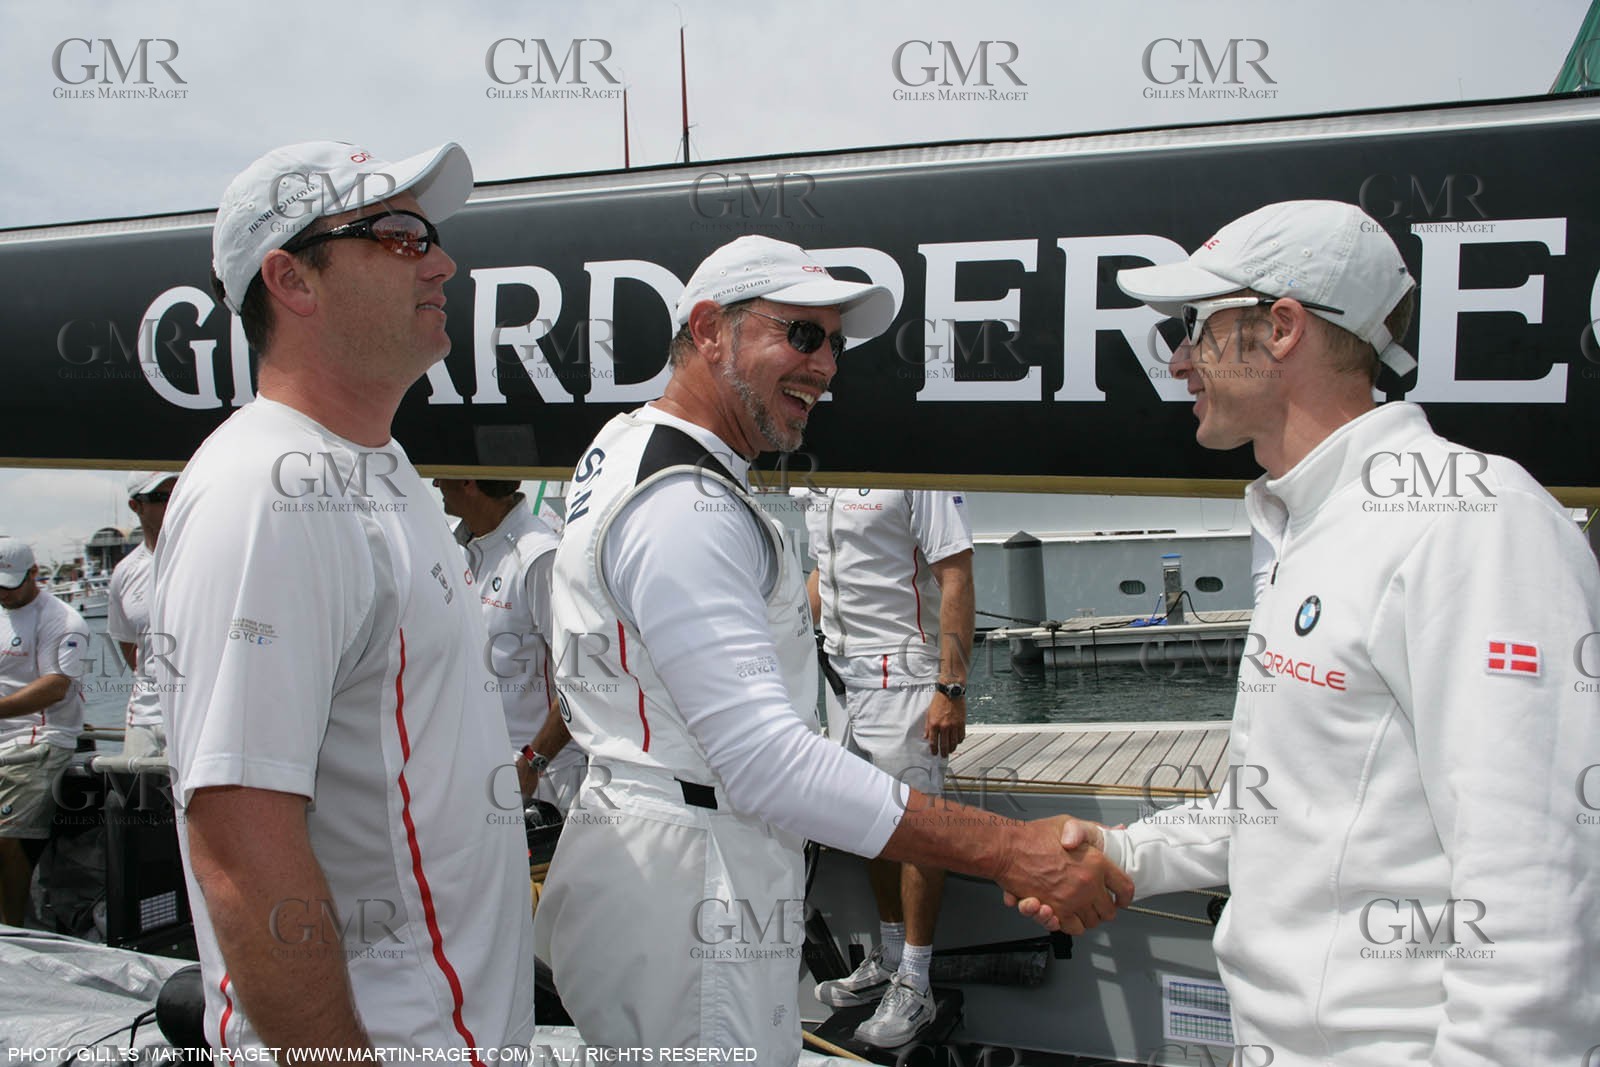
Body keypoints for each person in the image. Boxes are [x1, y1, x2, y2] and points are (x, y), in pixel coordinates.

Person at [1017, 200, 1600, 1063]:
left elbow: (1543, 885)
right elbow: (1296, 805)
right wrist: (1124, 847)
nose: (1179, 360)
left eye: (1194, 327)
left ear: (1281, 328)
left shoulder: (1475, 520)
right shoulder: (1312, 523)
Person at [533, 234, 1132, 1065]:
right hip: (694, 881)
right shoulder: (684, 502)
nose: (826, 366)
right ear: (710, 330)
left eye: (835, 343)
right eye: (801, 334)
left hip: (655, 849)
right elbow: (768, 764)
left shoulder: (630, 447)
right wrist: (1012, 848)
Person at [150, 140, 535, 1056]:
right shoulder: (265, 492)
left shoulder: (383, 468)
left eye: (431, 234)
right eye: (398, 234)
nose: (440, 260)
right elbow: (242, 851)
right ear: (293, 279)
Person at [804, 489, 974, 1047]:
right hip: (841, 675)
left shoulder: (913, 470)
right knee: (864, 825)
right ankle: (892, 960)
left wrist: (950, 687)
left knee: (918, 831)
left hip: (903, 675)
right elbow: (824, 575)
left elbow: (955, 574)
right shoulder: (822, 477)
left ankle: (917, 983)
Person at [436, 477, 583, 812]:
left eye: (446, 474)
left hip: (539, 782)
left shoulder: (540, 556)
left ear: (469, 483)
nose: (436, 481)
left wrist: (533, 761)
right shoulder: (453, 546)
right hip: (475, 772)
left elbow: (582, 676)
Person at [0, 538, 89, 926]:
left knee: (4, 839)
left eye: (9, 584)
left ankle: (12, 930)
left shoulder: (64, 620)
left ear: (35, 573)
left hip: (38, 741)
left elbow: (57, 686)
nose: (2, 592)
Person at [107, 471, 179, 760]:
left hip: (195, 715)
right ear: (135, 506)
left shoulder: (211, 557)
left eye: (178, 492)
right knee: (135, 801)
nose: (173, 503)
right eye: (162, 497)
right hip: (144, 716)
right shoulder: (124, 573)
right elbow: (128, 645)